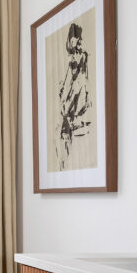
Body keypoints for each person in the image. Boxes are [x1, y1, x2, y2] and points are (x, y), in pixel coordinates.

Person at [53, 22, 92, 170]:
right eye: (75, 38)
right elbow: (67, 92)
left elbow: (80, 86)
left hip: (75, 113)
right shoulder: (71, 62)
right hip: (69, 112)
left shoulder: (82, 59)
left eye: (78, 38)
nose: (77, 42)